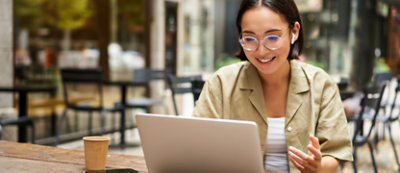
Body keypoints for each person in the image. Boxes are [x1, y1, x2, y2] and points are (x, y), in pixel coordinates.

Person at [192, 0, 353, 172]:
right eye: (250, 39)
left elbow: (334, 154)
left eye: (273, 37)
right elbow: (197, 148)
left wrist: (317, 167)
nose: (261, 51)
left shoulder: (321, 84)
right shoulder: (221, 84)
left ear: (294, 32)